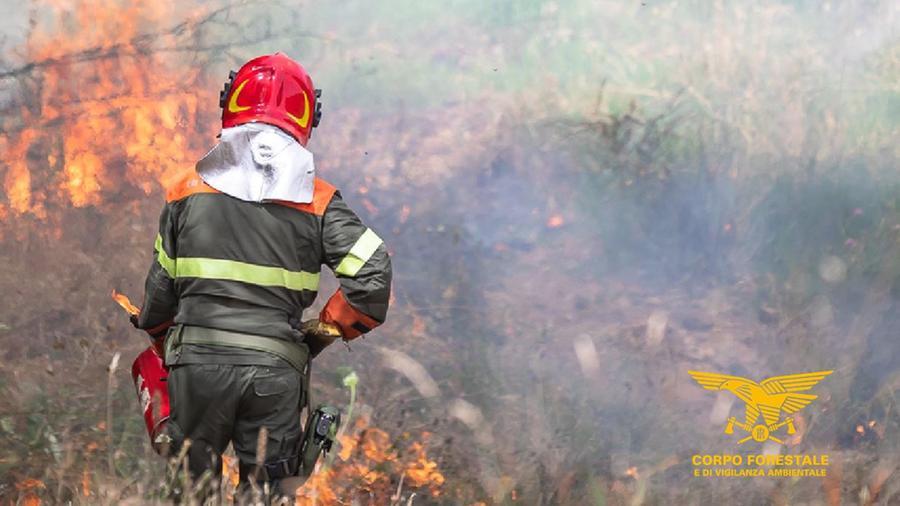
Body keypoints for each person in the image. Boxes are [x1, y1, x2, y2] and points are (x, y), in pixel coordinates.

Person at [132, 52, 392, 499]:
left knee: (191, 492)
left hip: (196, 369)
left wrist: (163, 340)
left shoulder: (184, 193)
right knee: (267, 494)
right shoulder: (319, 201)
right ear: (307, 117)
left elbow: (159, 297)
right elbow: (373, 276)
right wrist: (320, 333)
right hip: (275, 375)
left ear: (230, 102)